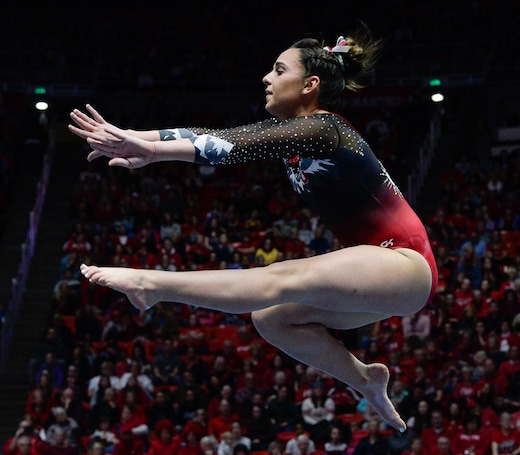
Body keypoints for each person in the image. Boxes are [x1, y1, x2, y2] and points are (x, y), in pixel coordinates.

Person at [70, 28, 438, 433]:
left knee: (287, 275)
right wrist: (134, 140)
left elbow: (233, 143)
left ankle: (152, 285)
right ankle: (364, 379)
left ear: (309, 85)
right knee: (271, 319)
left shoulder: (324, 129)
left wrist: (149, 148)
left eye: (279, 70)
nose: (267, 78)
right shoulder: (300, 137)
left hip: (405, 263)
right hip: (379, 280)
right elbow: (231, 138)